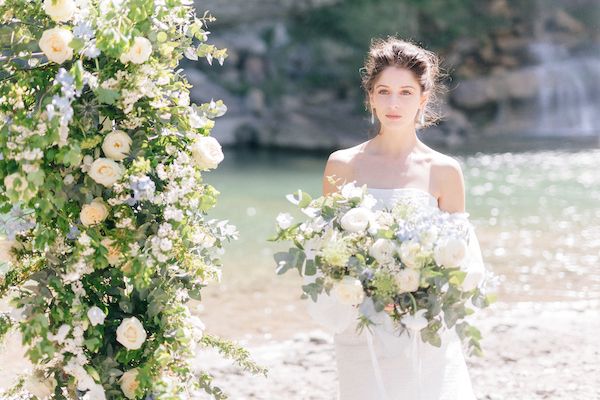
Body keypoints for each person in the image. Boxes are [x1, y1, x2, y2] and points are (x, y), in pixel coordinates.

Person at [311, 37, 485, 400]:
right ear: (370, 96)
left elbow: (459, 260)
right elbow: (328, 250)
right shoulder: (342, 165)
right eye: (384, 91)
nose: (393, 103)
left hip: (420, 324)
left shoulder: (444, 171)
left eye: (406, 92)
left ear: (423, 98)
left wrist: (416, 291)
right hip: (360, 323)